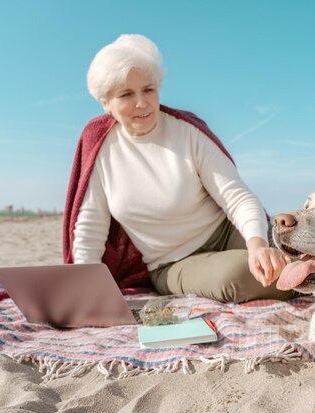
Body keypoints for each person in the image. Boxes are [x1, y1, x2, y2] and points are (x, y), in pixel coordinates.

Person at [63, 34, 291, 303]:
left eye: (148, 89)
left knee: (293, 249)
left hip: (228, 232)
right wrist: (87, 291)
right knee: (240, 274)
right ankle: (311, 281)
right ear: (106, 104)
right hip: (173, 263)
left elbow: (236, 195)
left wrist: (256, 245)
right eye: (126, 94)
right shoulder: (100, 147)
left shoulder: (187, 131)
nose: (142, 102)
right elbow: (90, 228)